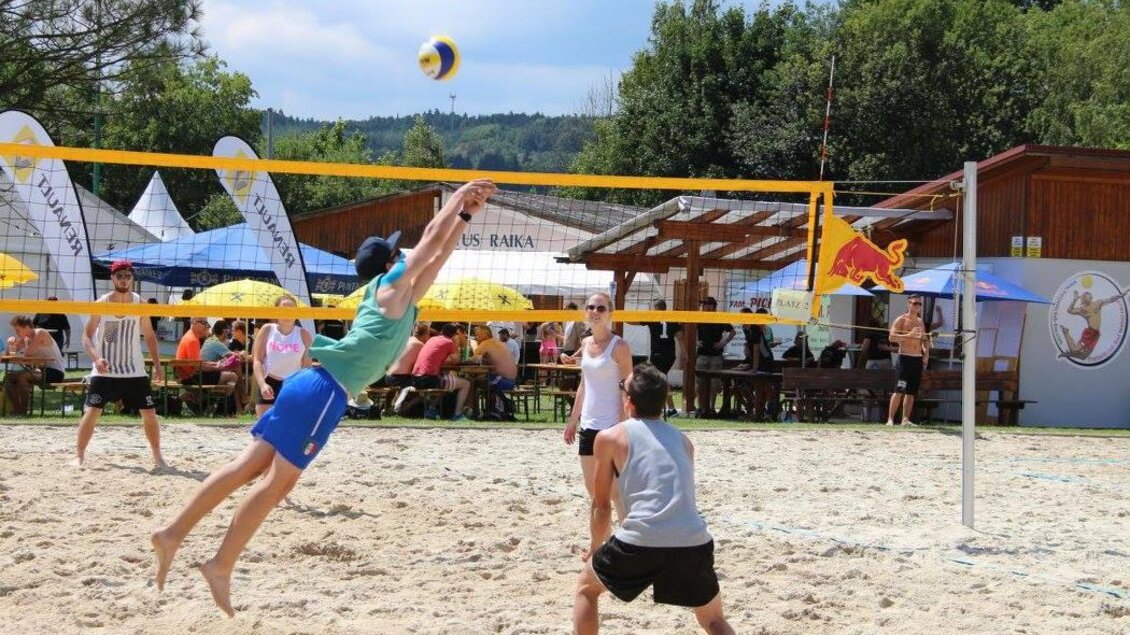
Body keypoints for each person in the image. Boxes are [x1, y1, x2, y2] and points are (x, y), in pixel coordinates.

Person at [150, 179, 497, 617]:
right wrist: (459, 195)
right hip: (323, 393)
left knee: (247, 469)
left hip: (310, 386)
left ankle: (173, 533)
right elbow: (429, 241)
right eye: (398, 253)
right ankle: (220, 563)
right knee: (274, 485)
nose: (407, 255)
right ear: (390, 263)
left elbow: (438, 255)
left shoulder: (399, 296)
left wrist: (465, 214)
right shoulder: (391, 288)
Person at [573, 364, 734, 635]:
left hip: (642, 540)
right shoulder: (684, 441)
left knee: (586, 589)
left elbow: (601, 506)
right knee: (714, 620)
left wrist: (595, 547)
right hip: (694, 540)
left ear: (628, 401)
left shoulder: (610, 437)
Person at [75, 260, 166, 468]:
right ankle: (79, 455)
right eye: (119, 276)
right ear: (112, 278)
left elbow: (150, 336)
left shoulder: (140, 304)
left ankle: (157, 456)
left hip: (134, 370)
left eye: (127, 276)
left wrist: (158, 365)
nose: (124, 280)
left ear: (132, 278)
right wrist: (97, 358)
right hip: (105, 370)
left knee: (150, 414)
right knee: (92, 411)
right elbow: (87, 336)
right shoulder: (102, 304)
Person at [563, 292, 633, 515]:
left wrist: (624, 427)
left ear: (610, 314)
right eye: (591, 307)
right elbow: (584, 385)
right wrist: (573, 421)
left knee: (614, 492)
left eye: (601, 308)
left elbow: (627, 390)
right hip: (589, 425)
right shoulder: (585, 344)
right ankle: (600, 546)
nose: (595, 312)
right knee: (592, 490)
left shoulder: (619, 346)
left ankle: (626, 542)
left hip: (612, 427)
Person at [251, 296, 313, 418]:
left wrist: (305, 391)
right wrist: (262, 384)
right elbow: (257, 360)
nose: (288, 312)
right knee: (264, 430)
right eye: (284, 309)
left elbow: (307, 368)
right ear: (276, 311)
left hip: (293, 385)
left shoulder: (304, 334)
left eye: (291, 309)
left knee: (289, 429)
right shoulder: (267, 329)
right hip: (269, 383)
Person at [4, 315, 66, 415]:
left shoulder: (40, 333)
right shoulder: (25, 338)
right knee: (8, 378)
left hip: (55, 372)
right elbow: (8, 355)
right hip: (41, 371)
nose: (16, 333)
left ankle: (23, 410)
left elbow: (28, 354)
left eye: (18, 330)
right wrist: (11, 345)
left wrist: (19, 344)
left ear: (27, 327)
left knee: (22, 377)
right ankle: (17, 408)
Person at [410, 323, 472, 420]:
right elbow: (456, 361)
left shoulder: (432, 339)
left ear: (442, 331)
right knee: (466, 383)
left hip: (415, 378)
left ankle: (431, 410)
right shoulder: (449, 342)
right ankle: (457, 414)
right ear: (454, 335)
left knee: (444, 382)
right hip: (428, 379)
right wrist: (455, 344)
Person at [175, 317, 238, 414]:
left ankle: (204, 403)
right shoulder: (193, 340)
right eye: (204, 323)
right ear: (195, 323)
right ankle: (215, 408)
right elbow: (198, 366)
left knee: (226, 375)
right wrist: (219, 367)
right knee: (232, 376)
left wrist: (217, 364)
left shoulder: (191, 337)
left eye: (207, 324)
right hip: (192, 377)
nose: (207, 326)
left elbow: (199, 363)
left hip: (188, 375)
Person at [887, 295, 930, 426]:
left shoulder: (920, 321)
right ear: (908, 304)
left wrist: (926, 353)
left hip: (916, 359)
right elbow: (892, 337)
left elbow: (924, 340)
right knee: (899, 389)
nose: (917, 306)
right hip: (904, 358)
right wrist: (909, 335)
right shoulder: (901, 319)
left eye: (920, 304)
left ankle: (905, 419)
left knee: (911, 392)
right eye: (915, 303)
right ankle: (890, 419)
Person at [1059, 287, 1130, 360]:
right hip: (1090, 333)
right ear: (1083, 299)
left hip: (1096, 334)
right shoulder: (1082, 309)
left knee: (1083, 357)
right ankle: (1066, 332)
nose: (1089, 297)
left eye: (1089, 296)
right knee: (1074, 350)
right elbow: (1069, 311)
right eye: (1085, 296)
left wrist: (1121, 295)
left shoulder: (1098, 303)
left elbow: (1111, 299)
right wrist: (1074, 299)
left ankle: (1069, 354)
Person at [694, 297, 734, 418]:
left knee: (714, 384)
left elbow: (733, 331)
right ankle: (701, 408)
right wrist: (696, 341)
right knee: (700, 383)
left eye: (709, 305)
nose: (706, 307)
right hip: (702, 354)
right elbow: (690, 330)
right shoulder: (698, 318)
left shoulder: (719, 318)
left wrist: (723, 343)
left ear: (713, 306)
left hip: (716, 355)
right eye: (705, 305)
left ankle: (711, 408)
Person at [642, 299, 681, 416]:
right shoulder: (672, 318)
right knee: (661, 379)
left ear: (657, 308)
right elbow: (680, 337)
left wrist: (621, 316)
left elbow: (634, 321)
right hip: (670, 354)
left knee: (659, 380)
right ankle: (668, 408)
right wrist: (684, 352)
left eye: (653, 308)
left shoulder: (653, 318)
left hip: (658, 354)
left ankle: (668, 408)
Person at [199, 320, 248, 415]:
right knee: (236, 369)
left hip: (204, 372)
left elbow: (229, 356)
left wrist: (237, 355)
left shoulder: (211, 340)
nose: (229, 334)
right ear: (224, 331)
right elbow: (233, 357)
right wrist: (241, 353)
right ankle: (243, 396)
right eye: (228, 331)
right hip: (207, 374)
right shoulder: (216, 343)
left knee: (235, 373)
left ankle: (238, 407)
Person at [471, 324, 518, 393]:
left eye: (478, 335)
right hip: (513, 381)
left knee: (471, 382)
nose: (477, 337)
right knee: (482, 379)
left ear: (486, 334)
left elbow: (474, 362)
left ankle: (471, 404)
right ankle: (494, 402)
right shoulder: (498, 342)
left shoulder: (484, 344)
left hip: (502, 381)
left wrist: (474, 346)